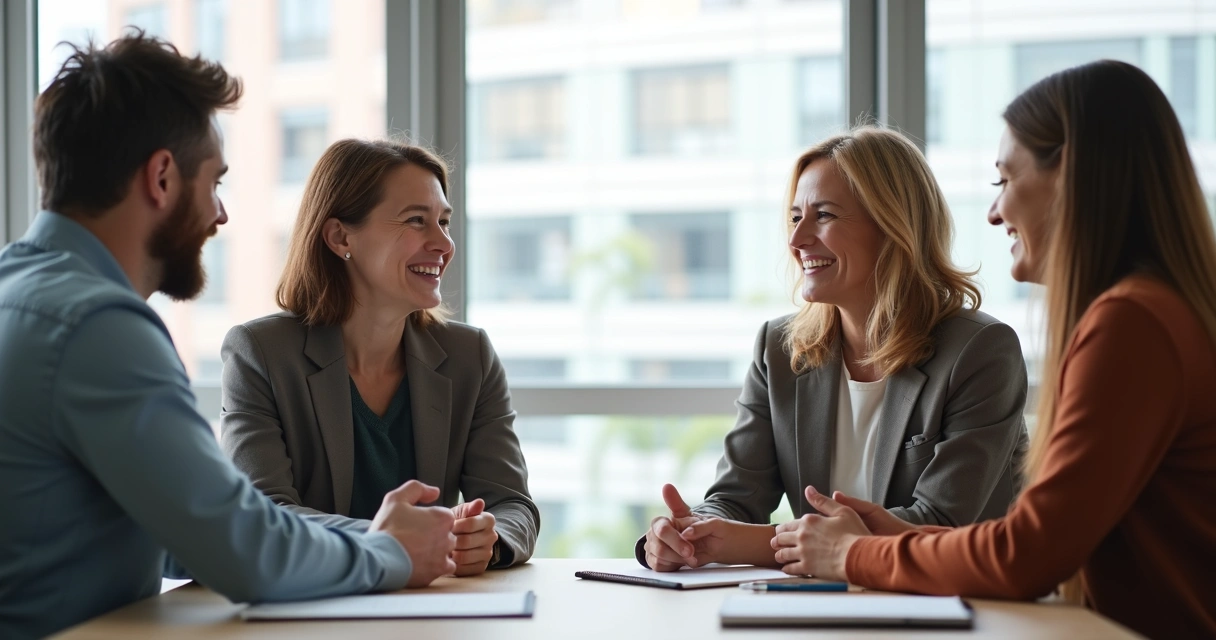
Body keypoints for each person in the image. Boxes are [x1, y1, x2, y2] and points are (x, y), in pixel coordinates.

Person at [0, 34, 457, 640]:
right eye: (214, 182)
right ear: (162, 177)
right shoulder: (97, 327)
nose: (220, 214)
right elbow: (240, 549)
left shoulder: (18, 289)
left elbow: (183, 531)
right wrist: (389, 553)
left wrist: (371, 537)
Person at [775, 61, 1216, 639]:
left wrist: (851, 555)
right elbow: (1043, 542)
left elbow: (1028, 553)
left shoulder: (1132, 324)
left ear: (1071, 177)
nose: (994, 211)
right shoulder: (1154, 311)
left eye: (1004, 181)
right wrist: (889, 535)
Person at [639, 126, 1029, 571]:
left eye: (823, 215)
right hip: (824, 600)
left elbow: (940, 525)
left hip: (956, 602)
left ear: (893, 224)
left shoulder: (981, 351)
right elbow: (735, 498)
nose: (797, 240)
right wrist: (689, 533)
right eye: (795, 218)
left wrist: (747, 543)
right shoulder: (779, 349)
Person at [220, 138, 539, 576]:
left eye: (444, 221)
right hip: (314, 603)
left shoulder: (470, 356)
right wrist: (387, 540)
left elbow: (513, 505)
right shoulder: (260, 354)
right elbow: (262, 516)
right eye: (416, 220)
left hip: (432, 606)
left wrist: (488, 538)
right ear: (340, 237)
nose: (444, 243)